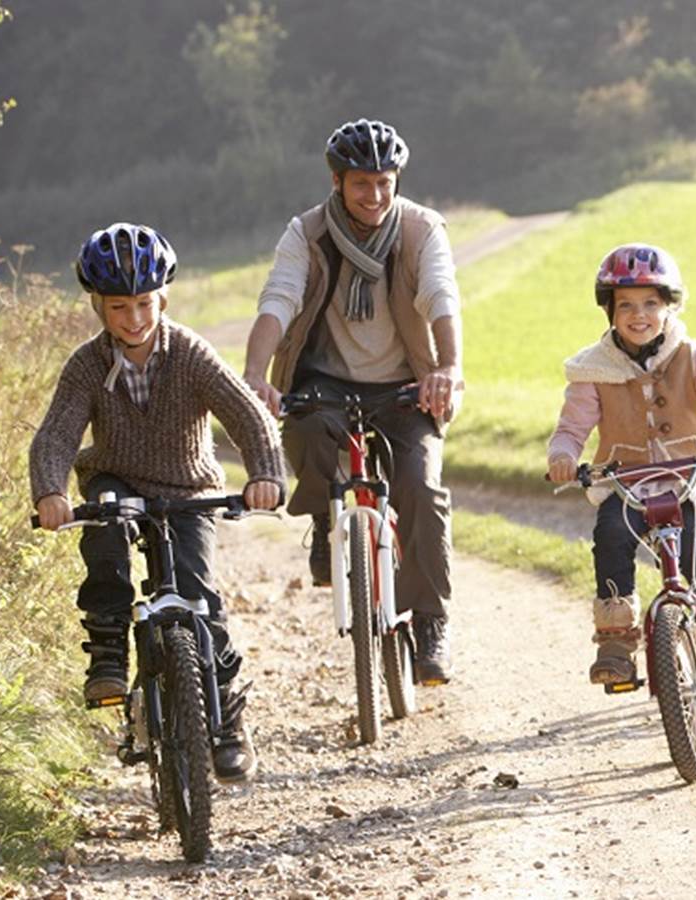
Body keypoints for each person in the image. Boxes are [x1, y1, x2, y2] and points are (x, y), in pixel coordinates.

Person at [30, 222, 286, 783]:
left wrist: (266, 472)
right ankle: (107, 655)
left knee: (201, 598)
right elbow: (56, 434)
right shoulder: (87, 365)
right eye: (118, 306)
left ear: (162, 298)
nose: (134, 318)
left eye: (144, 303)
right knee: (105, 531)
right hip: (117, 481)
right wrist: (50, 491)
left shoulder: (190, 353)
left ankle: (225, 726)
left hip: (186, 487)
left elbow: (246, 412)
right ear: (98, 306)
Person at [242, 118, 463, 685]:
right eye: (362, 183)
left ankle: (430, 621)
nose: (376, 195)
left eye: (386, 181)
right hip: (327, 379)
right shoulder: (307, 233)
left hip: (405, 382)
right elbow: (280, 299)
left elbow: (440, 295)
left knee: (421, 487)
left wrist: (447, 367)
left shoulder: (420, 229)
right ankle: (323, 518)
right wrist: (254, 374)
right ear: (337, 182)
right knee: (309, 432)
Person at [547, 243, 696, 688]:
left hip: (685, 481)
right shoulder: (594, 369)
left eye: (651, 303)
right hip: (623, 482)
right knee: (610, 536)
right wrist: (564, 456)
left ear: (669, 308)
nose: (638, 314)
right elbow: (572, 426)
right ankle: (616, 644)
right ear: (609, 312)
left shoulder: (688, 354)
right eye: (625, 305)